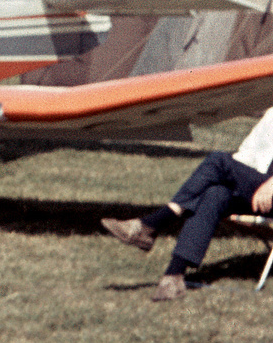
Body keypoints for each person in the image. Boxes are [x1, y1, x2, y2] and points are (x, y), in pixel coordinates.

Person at [102, 107, 273, 301]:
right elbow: (246, 156)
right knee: (214, 193)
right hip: (259, 194)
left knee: (218, 160)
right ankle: (173, 277)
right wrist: (234, 177)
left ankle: (154, 222)